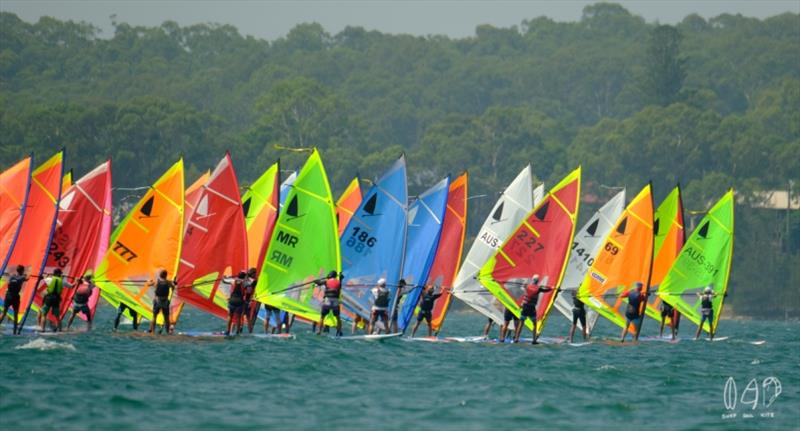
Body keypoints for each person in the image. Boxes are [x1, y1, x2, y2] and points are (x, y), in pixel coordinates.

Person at [513, 275, 553, 344]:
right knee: (534, 324)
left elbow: (523, 286)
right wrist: (552, 288)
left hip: (525, 307)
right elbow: (547, 290)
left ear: (532, 280)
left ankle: (516, 338)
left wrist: (524, 284)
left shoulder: (527, 286)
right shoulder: (539, 288)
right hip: (531, 308)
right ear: (538, 281)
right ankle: (534, 340)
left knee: (521, 322)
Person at [40, 268, 72, 332]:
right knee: (57, 316)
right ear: (59, 274)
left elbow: (44, 277)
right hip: (56, 299)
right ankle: (60, 330)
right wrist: (76, 281)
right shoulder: (63, 281)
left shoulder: (49, 279)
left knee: (44, 315)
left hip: (49, 298)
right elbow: (72, 286)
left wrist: (47, 275)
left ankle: (42, 330)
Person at [0, 265, 28, 334]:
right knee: (15, 315)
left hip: (8, 295)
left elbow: (9, 283)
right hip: (15, 297)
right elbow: (28, 278)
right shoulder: (22, 277)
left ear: (17, 270)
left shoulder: (12, 276)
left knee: (4, 313)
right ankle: (14, 332)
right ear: (22, 271)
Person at [316, 270, 343, 336]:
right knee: (338, 317)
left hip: (327, 301)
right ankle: (339, 331)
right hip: (335, 301)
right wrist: (341, 278)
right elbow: (338, 287)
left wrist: (316, 281)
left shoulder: (326, 281)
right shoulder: (339, 282)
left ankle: (319, 331)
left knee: (322, 317)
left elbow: (319, 283)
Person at [148, 269, 176, 334]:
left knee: (154, 316)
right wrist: (173, 284)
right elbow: (173, 287)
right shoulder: (168, 282)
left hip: (157, 301)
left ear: (160, 275)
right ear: (166, 275)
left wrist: (149, 281)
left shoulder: (157, 282)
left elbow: (149, 284)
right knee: (166, 318)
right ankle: (167, 332)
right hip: (165, 302)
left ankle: (152, 331)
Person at [225, 271, 247, 336]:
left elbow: (224, 281)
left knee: (230, 316)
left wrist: (225, 277)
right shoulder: (245, 283)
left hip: (232, 301)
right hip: (239, 302)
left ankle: (228, 331)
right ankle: (237, 332)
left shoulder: (232, 281)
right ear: (244, 277)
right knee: (239, 317)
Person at [243, 268, 258, 333]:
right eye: (255, 273)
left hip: (244, 301)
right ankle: (250, 332)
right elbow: (249, 291)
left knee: (239, 317)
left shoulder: (245, 279)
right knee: (248, 318)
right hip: (245, 302)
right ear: (252, 274)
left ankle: (233, 331)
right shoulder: (252, 281)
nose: (256, 275)